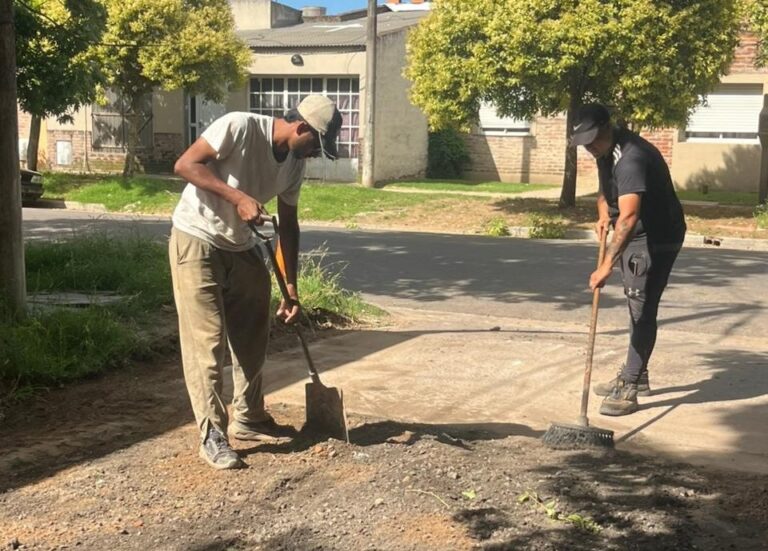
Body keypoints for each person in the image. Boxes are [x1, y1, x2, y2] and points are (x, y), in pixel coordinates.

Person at [169, 95, 342, 469]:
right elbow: (184, 164)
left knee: (252, 337)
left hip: (242, 245)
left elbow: (289, 225)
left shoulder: (294, 164)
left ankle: (250, 417)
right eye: (316, 144)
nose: (314, 154)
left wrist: (291, 288)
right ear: (301, 127)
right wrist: (238, 197)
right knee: (207, 344)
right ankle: (212, 433)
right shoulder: (239, 126)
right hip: (197, 238)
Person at [570, 103, 686, 416]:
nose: (590, 147)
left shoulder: (632, 156)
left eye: (593, 140)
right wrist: (602, 213)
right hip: (636, 231)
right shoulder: (605, 150)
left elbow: (630, 217)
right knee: (637, 304)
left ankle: (630, 383)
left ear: (609, 127)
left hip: (656, 237)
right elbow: (605, 188)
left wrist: (606, 266)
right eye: (585, 143)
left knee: (642, 308)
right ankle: (639, 371)